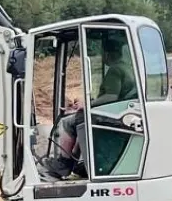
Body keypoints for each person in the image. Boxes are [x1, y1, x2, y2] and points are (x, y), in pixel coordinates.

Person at [53, 40, 138, 171]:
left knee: (67, 122)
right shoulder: (127, 68)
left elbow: (111, 96)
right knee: (80, 120)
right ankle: (75, 164)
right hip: (119, 112)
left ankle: (64, 163)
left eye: (103, 54)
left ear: (107, 54)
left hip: (112, 116)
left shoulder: (115, 70)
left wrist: (87, 104)